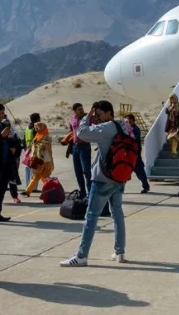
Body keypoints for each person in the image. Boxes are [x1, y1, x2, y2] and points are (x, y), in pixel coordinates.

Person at [61, 101, 128, 267]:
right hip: (119, 176)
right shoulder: (122, 125)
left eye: (99, 114)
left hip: (103, 178)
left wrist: (86, 117)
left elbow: (81, 133)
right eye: (95, 115)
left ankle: (82, 255)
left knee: (91, 216)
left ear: (108, 113)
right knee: (117, 213)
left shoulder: (106, 128)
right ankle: (120, 251)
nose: (96, 117)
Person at [24, 122, 54, 197]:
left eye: (38, 127)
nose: (36, 128)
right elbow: (33, 146)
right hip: (37, 159)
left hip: (45, 160)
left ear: (43, 127)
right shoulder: (37, 136)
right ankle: (28, 191)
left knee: (44, 176)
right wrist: (34, 143)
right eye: (36, 127)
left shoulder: (47, 136)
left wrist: (40, 143)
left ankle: (49, 190)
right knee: (36, 176)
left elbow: (47, 147)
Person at [69, 103, 92, 198]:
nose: (81, 110)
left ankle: (91, 192)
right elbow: (71, 131)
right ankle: (82, 192)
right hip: (75, 147)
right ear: (74, 111)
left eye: (82, 108)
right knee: (77, 171)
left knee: (86, 171)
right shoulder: (72, 119)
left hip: (85, 146)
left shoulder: (87, 118)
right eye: (79, 109)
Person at [126, 114, 150, 193]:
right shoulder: (125, 129)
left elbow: (134, 139)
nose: (127, 123)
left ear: (133, 121)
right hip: (127, 154)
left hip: (135, 154)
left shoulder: (136, 129)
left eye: (129, 121)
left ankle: (146, 186)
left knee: (140, 172)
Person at [1, 119, 22, 204]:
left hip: (12, 161)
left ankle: (15, 196)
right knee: (0, 182)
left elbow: (19, 145)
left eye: (8, 126)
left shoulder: (14, 135)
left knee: (12, 180)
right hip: (1, 161)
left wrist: (15, 150)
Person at [23, 113, 40, 186]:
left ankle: (28, 185)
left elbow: (24, 140)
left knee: (27, 168)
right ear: (37, 119)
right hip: (34, 150)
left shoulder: (27, 128)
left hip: (27, 149)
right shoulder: (35, 129)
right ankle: (33, 187)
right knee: (34, 168)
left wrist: (25, 149)